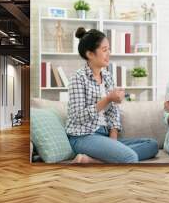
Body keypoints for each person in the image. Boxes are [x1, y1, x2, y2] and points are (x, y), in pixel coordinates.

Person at [66, 27, 158, 163]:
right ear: (90, 54)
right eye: (104, 50)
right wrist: (108, 99)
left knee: (152, 145)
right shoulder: (78, 78)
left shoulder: (108, 77)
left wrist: (113, 136)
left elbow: (113, 112)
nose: (109, 53)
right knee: (130, 157)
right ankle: (105, 159)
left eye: (109, 49)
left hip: (105, 135)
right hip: (83, 136)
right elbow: (78, 117)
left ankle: (92, 161)